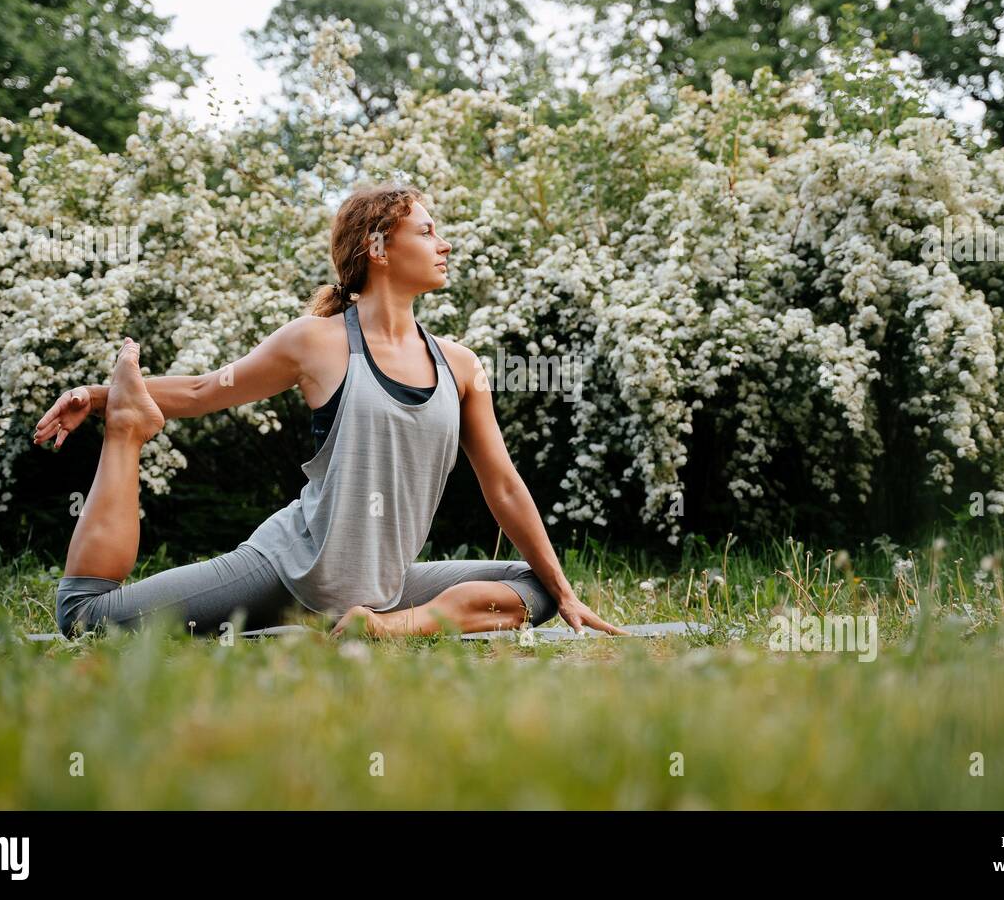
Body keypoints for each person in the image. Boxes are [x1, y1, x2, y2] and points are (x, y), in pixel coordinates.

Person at [32, 181, 628, 641]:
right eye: (427, 231)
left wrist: (564, 590)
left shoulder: (461, 366)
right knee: (86, 617)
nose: (445, 244)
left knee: (536, 590)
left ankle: (388, 628)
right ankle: (126, 436)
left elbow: (502, 485)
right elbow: (202, 392)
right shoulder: (317, 342)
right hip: (287, 569)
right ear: (378, 248)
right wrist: (104, 397)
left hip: (383, 587)